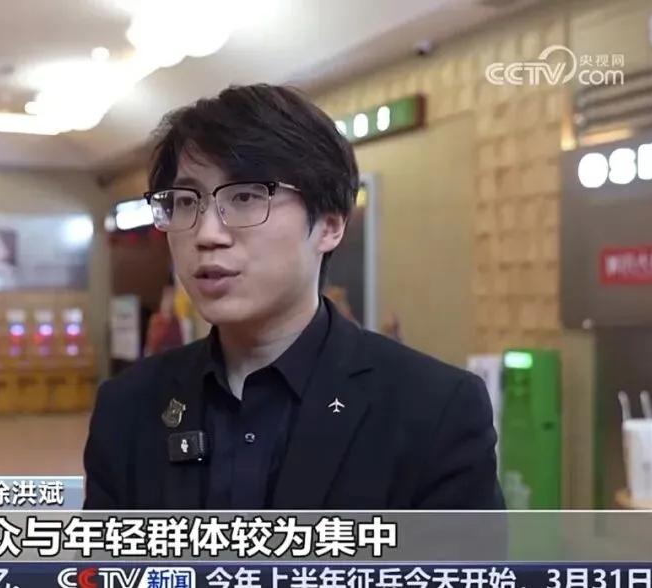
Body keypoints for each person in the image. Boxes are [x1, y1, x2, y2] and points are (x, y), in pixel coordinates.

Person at [83, 85, 503, 513]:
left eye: (245, 197)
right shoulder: (128, 407)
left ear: (329, 225)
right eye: (186, 202)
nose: (206, 234)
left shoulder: (435, 410)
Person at [143, 285, 184, 356]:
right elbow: (153, 343)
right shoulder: (157, 320)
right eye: (168, 299)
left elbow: (180, 341)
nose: (171, 302)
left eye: (172, 299)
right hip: (159, 356)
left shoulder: (176, 320)